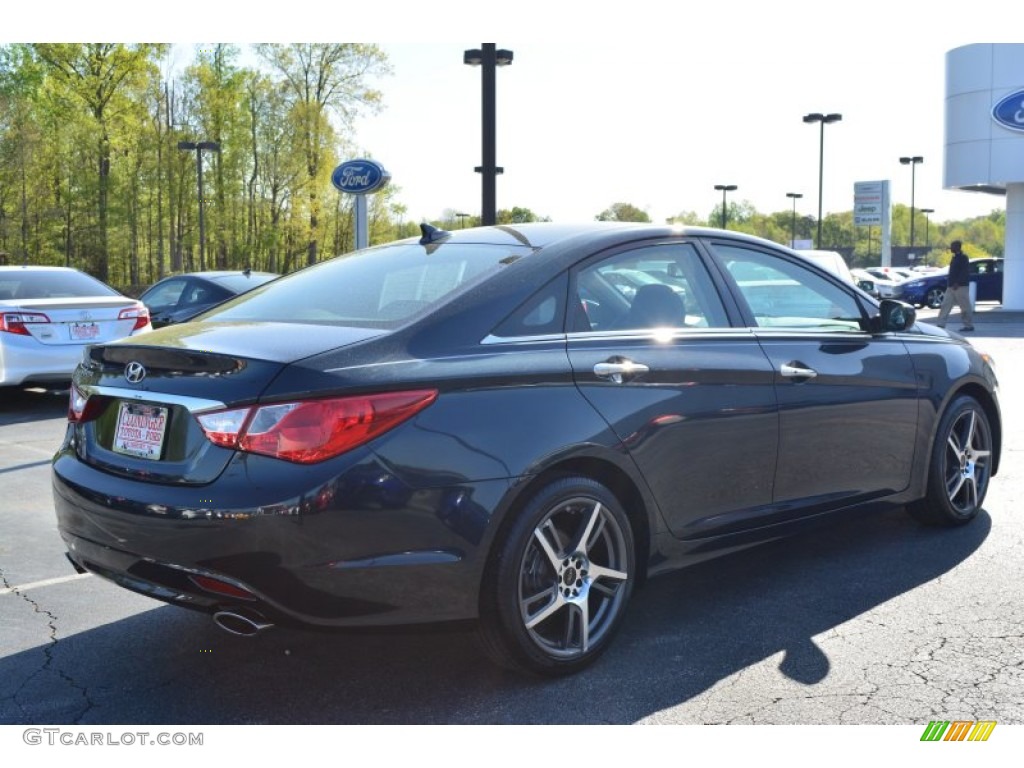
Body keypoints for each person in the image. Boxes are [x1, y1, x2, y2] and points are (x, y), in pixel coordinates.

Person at [935, 240, 974, 332]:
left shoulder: (963, 258)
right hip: (951, 287)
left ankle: (968, 325)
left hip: (961, 286)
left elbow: (964, 272)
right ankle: (940, 324)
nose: (950, 248)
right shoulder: (954, 257)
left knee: (964, 307)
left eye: (952, 246)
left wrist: (958, 282)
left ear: (958, 247)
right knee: (945, 305)